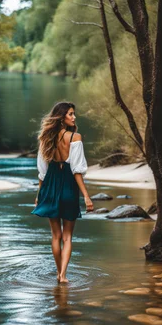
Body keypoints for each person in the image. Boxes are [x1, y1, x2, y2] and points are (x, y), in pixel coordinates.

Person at [31, 101, 94, 283]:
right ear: (62, 117)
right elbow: (77, 170)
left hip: (50, 186)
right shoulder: (75, 137)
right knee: (67, 237)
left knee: (55, 236)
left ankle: (59, 273)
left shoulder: (46, 138)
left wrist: (39, 194)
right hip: (68, 186)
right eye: (71, 114)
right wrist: (86, 197)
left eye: (74, 114)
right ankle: (63, 275)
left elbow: (42, 171)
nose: (74, 117)